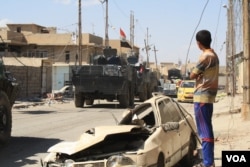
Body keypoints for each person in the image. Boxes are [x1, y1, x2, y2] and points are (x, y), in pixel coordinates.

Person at [189, 30, 219, 167]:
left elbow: (192, 75)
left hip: (201, 98)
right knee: (207, 129)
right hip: (209, 98)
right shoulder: (215, 55)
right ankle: (209, 161)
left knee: (205, 132)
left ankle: (208, 163)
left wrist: (197, 76)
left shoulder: (205, 56)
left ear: (199, 43)